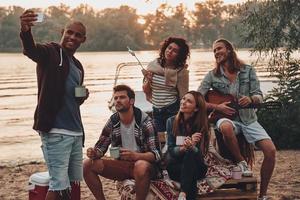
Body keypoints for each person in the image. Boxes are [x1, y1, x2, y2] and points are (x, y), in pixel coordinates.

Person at [20, 10, 88, 200]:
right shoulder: (50, 52)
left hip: (75, 132)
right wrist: (25, 31)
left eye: (77, 35)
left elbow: (71, 99)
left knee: (73, 184)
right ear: (62, 32)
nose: (72, 37)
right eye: (69, 32)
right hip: (56, 132)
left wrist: (82, 96)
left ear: (83, 40)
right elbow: (31, 50)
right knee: (58, 185)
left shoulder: (78, 65)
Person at [198, 38, 276, 199]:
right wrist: (217, 107)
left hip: (249, 119)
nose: (216, 53)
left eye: (219, 49)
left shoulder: (247, 70)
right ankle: (242, 162)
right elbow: (198, 99)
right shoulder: (212, 75)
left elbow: (258, 95)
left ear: (229, 50)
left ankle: (263, 195)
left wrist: (252, 99)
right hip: (226, 118)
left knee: (271, 151)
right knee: (225, 127)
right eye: (214, 51)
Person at [83, 84, 161, 200]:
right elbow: (101, 147)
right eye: (116, 98)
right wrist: (94, 153)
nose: (118, 100)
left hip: (146, 167)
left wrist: (135, 155)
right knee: (87, 164)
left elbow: (156, 155)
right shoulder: (113, 121)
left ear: (132, 101)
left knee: (140, 165)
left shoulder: (145, 122)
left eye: (122, 97)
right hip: (123, 166)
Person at [166, 91, 209, 200]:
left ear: (196, 108)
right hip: (176, 167)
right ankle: (184, 194)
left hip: (197, 167)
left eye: (189, 101)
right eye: (183, 99)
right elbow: (171, 151)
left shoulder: (201, 125)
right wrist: (183, 148)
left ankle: (183, 193)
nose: (183, 102)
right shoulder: (171, 122)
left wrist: (192, 147)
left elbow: (201, 155)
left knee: (191, 156)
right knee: (190, 173)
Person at [143, 37, 190, 133]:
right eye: (169, 48)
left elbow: (183, 95)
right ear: (165, 48)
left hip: (172, 109)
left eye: (175, 51)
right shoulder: (153, 65)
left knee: (173, 139)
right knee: (159, 139)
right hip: (156, 109)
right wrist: (148, 80)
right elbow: (146, 90)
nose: (170, 51)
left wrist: (184, 116)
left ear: (179, 55)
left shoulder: (181, 71)